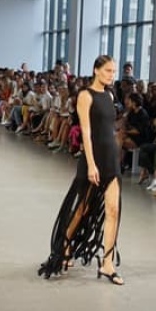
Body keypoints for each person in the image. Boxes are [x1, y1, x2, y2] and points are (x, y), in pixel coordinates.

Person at [38, 55, 125, 285]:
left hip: (111, 158)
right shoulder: (86, 96)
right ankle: (64, 247)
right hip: (93, 159)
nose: (112, 75)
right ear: (96, 70)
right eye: (108, 70)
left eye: (114, 71)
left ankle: (107, 264)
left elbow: (109, 128)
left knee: (113, 210)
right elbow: (86, 132)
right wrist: (91, 164)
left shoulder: (110, 95)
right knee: (82, 209)